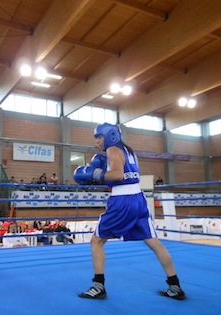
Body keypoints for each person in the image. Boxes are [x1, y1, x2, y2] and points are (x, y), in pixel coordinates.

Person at [73, 123, 186, 300]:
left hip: (122, 201)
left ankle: (98, 286)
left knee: (96, 241)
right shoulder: (129, 151)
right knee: (154, 242)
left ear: (109, 136)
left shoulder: (112, 150)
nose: (97, 141)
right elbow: (125, 175)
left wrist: (95, 173)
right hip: (139, 199)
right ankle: (175, 286)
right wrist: (103, 172)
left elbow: (117, 176)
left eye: (99, 137)